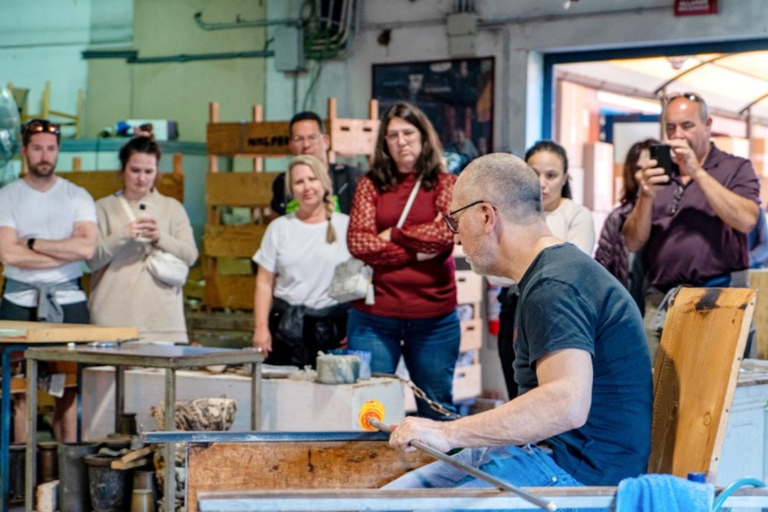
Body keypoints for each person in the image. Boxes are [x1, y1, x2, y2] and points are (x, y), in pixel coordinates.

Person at [385, 152, 652, 495]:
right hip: (549, 455)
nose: (455, 237)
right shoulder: (553, 273)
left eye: (455, 221)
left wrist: (448, 432)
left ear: (485, 216)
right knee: (389, 498)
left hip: (577, 474)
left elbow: (566, 403)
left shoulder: (554, 286)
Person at [623, 92, 760, 362]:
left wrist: (697, 172)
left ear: (707, 125)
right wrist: (646, 196)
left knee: (715, 389)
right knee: (655, 388)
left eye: (687, 126)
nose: (678, 135)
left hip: (721, 298)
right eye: (671, 127)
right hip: (662, 301)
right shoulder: (659, 174)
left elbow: (746, 220)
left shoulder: (735, 168)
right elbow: (632, 241)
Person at [346, 102, 460, 420]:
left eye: (408, 133)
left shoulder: (444, 183)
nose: (401, 141)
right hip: (373, 318)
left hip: (434, 319)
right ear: (384, 143)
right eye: (392, 135)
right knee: (371, 411)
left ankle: (441, 472)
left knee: (437, 409)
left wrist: (392, 235)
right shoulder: (371, 185)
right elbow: (358, 241)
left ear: (424, 137)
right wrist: (417, 251)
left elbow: (446, 233)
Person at [0, 119, 98, 442]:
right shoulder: (8, 197)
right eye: (38, 148)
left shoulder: (77, 196)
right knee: (19, 392)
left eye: (51, 149)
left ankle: (65, 477)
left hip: (67, 302)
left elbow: (86, 247)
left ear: (58, 152)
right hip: (19, 301)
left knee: (67, 391)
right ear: (25, 151)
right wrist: (61, 252)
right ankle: (19, 479)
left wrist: (31, 243)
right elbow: (8, 255)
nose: (45, 156)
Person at [497, 140, 594, 398]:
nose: (542, 183)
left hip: (559, 311)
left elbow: (572, 269)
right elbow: (493, 271)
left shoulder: (577, 215)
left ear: (564, 178)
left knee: (552, 393)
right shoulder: (507, 214)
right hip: (513, 309)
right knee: (516, 391)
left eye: (551, 175)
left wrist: (516, 264)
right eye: (533, 173)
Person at [87, 136, 198, 343]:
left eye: (149, 172)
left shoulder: (172, 207)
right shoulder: (102, 207)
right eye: (135, 170)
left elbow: (190, 255)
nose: (142, 178)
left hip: (162, 320)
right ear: (123, 169)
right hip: (112, 316)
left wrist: (159, 237)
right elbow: (92, 260)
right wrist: (123, 234)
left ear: (157, 172)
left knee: (159, 375)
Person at [253, 154, 351, 367]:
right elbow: (264, 281)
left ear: (324, 183)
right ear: (291, 189)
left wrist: (354, 328)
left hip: (333, 329)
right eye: (299, 182)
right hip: (285, 329)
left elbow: (360, 283)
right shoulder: (279, 228)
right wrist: (261, 328)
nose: (307, 187)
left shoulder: (346, 226)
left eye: (312, 179)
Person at [595, 139, 658, 313]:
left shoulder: (672, 215)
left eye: (651, 168)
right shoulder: (617, 218)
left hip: (662, 304)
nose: (646, 175)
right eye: (639, 169)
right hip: (626, 309)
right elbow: (601, 268)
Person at [270, 111, 364, 216]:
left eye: (312, 137)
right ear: (290, 145)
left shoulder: (349, 178)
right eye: (299, 139)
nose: (306, 145)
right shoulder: (283, 182)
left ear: (326, 142)